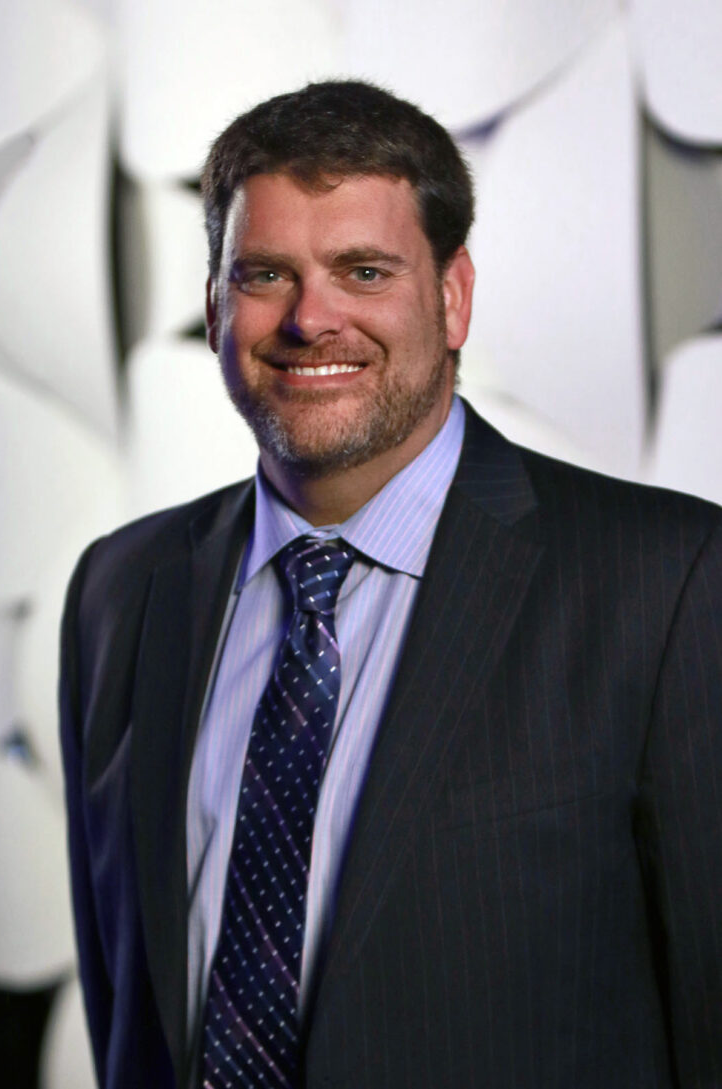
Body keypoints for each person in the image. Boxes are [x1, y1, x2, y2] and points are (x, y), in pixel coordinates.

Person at [60, 80, 722, 1089]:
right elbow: (127, 1020)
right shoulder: (119, 591)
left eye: (363, 271)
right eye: (265, 274)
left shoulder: (664, 584)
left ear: (452, 298)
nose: (310, 319)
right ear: (214, 306)